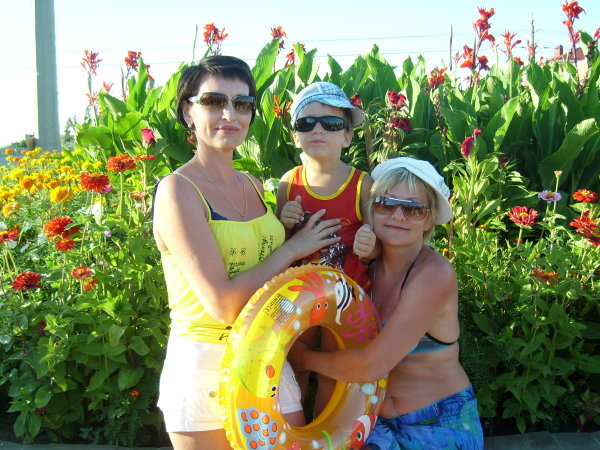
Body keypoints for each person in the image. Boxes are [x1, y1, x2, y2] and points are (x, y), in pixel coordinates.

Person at [152, 56, 342, 450]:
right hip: (204, 362)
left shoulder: (253, 185)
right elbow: (223, 304)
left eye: (242, 104)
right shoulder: (178, 191)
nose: (230, 114)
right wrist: (292, 249)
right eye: (213, 101)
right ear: (188, 111)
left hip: (267, 354)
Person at [290, 157, 484, 449]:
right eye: (386, 204)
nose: (398, 215)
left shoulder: (433, 274)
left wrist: (303, 359)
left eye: (413, 209)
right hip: (373, 421)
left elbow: (371, 366)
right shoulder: (363, 269)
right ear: (372, 210)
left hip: (438, 420)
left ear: (429, 219)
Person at [275, 81, 378, 416]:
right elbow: (279, 245)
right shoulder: (289, 182)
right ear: (296, 136)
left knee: (334, 372)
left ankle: (327, 433)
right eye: (306, 123)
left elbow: (377, 250)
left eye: (331, 124)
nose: (318, 130)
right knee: (295, 366)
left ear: (347, 136)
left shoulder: (363, 184)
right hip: (298, 296)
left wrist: (370, 246)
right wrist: (284, 221)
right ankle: (296, 430)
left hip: (346, 298)